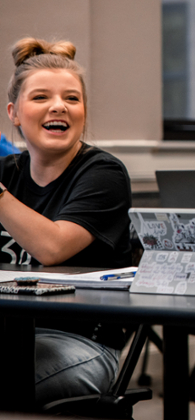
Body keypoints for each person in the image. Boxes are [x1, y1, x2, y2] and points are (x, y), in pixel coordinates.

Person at [1, 38, 132, 405]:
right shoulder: (6, 174)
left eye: (72, 99)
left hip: (81, 344)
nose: (59, 106)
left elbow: (53, 247)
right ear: (14, 112)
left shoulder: (103, 173)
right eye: (41, 97)